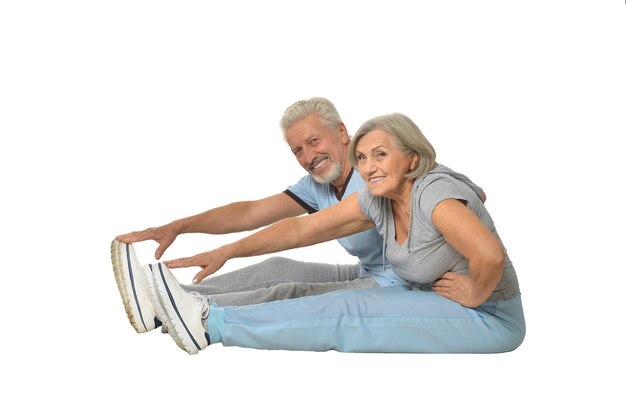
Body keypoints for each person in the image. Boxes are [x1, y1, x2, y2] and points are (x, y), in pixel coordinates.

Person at [138, 112, 525, 355]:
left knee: (340, 309)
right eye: (363, 158)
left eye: (380, 155)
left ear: (411, 156)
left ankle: (208, 324)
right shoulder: (374, 196)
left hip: (484, 314)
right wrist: (224, 248)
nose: (369, 167)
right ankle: (175, 302)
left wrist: (476, 291)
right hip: (412, 284)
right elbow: (302, 228)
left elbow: (488, 254)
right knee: (281, 270)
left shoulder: (429, 193)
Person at [112, 97, 406, 335]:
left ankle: (194, 311)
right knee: (277, 268)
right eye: (297, 150)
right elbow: (251, 212)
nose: (308, 157)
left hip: (397, 283)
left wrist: (227, 251)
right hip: (370, 271)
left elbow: (303, 231)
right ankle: (167, 299)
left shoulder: (374, 171)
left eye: (314, 141)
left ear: (342, 133)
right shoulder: (319, 184)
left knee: (294, 292)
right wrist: (180, 226)